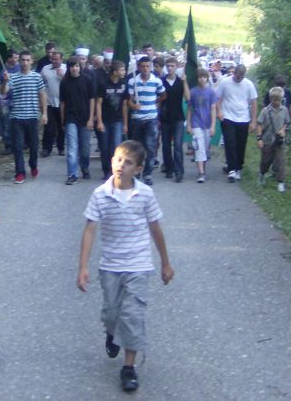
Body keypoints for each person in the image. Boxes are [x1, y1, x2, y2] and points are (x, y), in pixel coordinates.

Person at [77, 140, 174, 394]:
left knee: (132, 315)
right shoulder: (100, 194)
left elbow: (155, 228)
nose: (121, 165)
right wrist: (83, 267)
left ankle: (129, 368)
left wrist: (165, 262)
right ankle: (112, 333)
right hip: (110, 266)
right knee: (111, 313)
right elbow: (89, 231)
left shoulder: (145, 195)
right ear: (112, 161)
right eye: (119, 159)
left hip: (139, 265)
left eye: (128, 162)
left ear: (139, 169)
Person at [0, 51, 47, 183]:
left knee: (34, 145)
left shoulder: (37, 77)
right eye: (23, 60)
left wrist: (44, 113)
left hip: (32, 116)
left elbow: (42, 95)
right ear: (19, 61)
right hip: (17, 117)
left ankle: (33, 165)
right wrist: (5, 81)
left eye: (27, 60)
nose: (25, 63)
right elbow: (3, 92)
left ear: (31, 61)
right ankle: (20, 172)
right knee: (18, 146)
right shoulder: (13, 77)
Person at [124, 56, 166, 185]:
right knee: (136, 148)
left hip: (151, 118)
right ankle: (136, 173)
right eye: (143, 66)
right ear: (138, 67)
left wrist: (156, 103)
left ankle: (147, 174)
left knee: (150, 146)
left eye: (148, 66)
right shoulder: (132, 81)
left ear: (151, 67)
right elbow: (128, 99)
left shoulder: (156, 81)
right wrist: (133, 106)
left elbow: (163, 95)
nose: (145, 69)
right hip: (137, 118)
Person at [216, 64, 258, 182]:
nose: (239, 79)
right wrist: (219, 111)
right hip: (228, 116)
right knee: (230, 142)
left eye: (241, 77)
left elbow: (254, 102)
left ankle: (238, 167)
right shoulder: (225, 83)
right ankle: (231, 169)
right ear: (234, 73)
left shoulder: (248, 84)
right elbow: (218, 98)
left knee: (241, 144)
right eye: (237, 76)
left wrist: (254, 121)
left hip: (243, 118)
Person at [60, 56, 96, 183]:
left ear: (80, 67)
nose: (74, 69)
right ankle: (72, 174)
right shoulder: (64, 82)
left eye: (76, 66)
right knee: (72, 147)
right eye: (72, 66)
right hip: (71, 117)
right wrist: (63, 120)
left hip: (85, 117)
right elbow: (63, 103)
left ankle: (84, 167)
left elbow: (92, 99)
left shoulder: (87, 80)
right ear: (68, 68)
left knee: (85, 147)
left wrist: (91, 118)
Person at [96, 59, 128, 181]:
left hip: (118, 121)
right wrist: (99, 121)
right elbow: (98, 103)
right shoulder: (103, 84)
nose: (124, 72)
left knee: (116, 147)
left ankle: (115, 171)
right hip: (104, 120)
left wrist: (125, 123)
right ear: (114, 72)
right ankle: (106, 171)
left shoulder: (123, 84)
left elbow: (125, 105)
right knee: (104, 148)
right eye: (122, 69)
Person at [159, 57, 189, 182]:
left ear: (177, 67)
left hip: (178, 117)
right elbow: (158, 98)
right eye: (168, 66)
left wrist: (185, 82)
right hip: (165, 117)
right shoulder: (161, 81)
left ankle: (179, 171)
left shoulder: (180, 81)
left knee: (177, 145)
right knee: (166, 145)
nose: (170, 68)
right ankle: (169, 168)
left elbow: (188, 98)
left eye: (172, 66)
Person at [257, 86, 291, 192]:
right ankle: (262, 174)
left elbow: (286, 122)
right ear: (270, 99)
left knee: (280, 161)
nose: (276, 102)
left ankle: (281, 182)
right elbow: (259, 124)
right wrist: (259, 139)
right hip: (267, 140)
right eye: (273, 99)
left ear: (281, 99)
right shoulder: (265, 111)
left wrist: (283, 130)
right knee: (266, 160)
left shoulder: (284, 110)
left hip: (279, 140)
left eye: (278, 99)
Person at [187, 68, 217, 183]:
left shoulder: (211, 92)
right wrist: (189, 124)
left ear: (207, 78)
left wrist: (213, 125)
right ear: (197, 79)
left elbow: (213, 108)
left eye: (204, 77)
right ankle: (201, 173)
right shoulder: (193, 92)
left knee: (205, 147)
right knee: (199, 147)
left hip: (207, 123)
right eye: (200, 77)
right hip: (196, 123)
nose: (202, 79)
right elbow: (190, 109)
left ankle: (203, 169)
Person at [0, 50, 20, 154]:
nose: (17, 59)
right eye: (15, 57)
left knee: (18, 122)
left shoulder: (20, 68)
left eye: (17, 57)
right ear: (9, 58)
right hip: (5, 100)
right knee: (6, 123)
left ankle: (20, 143)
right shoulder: (3, 69)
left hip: (17, 99)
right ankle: (8, 146)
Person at [40, 51, 66, 157]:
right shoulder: (45, 69)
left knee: (61, 126)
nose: (54, 61)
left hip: (62, 102)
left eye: (56, 59)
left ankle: (61, 147)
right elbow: (40, 84)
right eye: (52, 59)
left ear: (61, 59)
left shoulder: (67, 69)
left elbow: (72, 82)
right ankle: (47, 148)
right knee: (49, 127)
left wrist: (63, 76)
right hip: (49, 102)